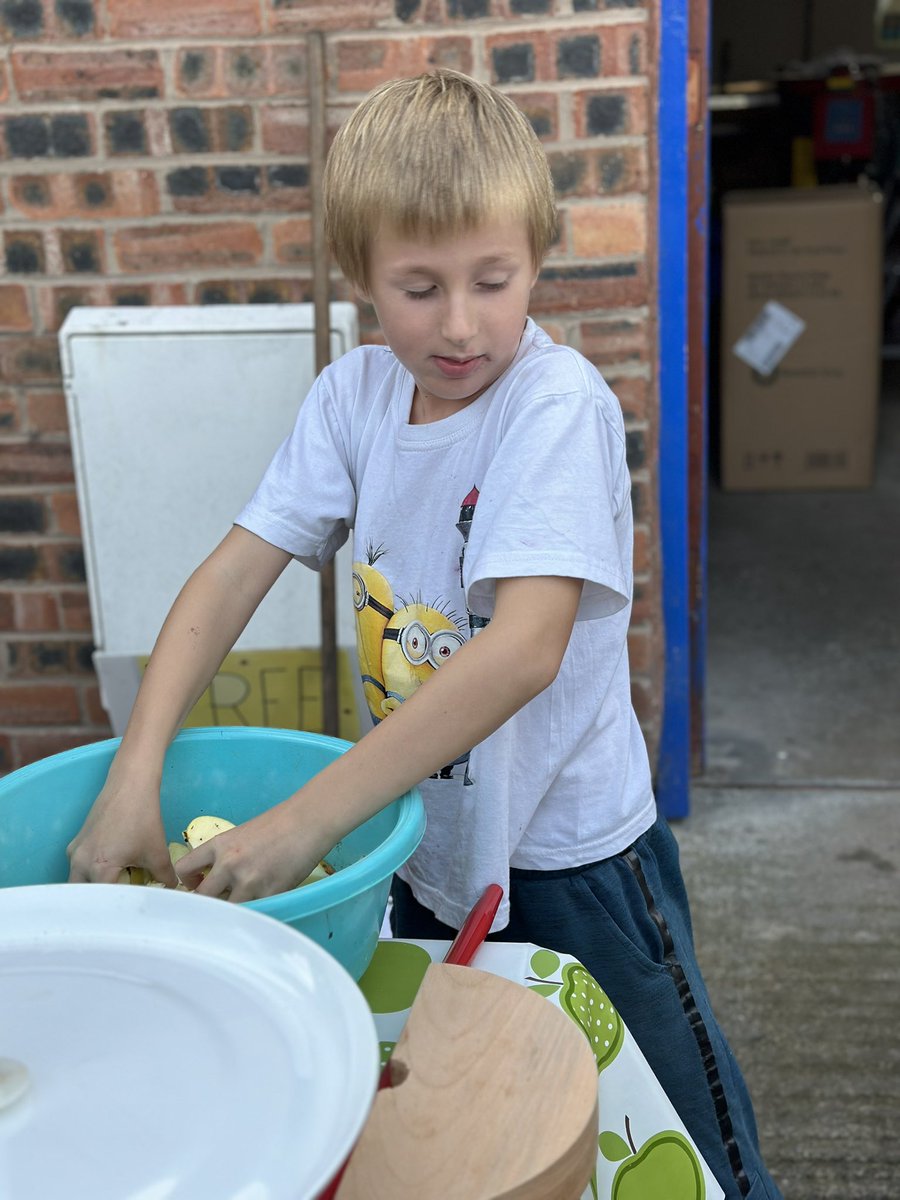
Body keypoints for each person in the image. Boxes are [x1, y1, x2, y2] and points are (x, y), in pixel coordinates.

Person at [67, 69, 781, 1199]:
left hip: (577, 862)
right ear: (361, 278)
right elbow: (233, 570)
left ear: (538, 258)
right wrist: (134, 768)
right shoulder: (351, 400)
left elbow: (524, 648)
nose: (459, 324)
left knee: (676, 1136)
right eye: (418, 287)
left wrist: (302, 823)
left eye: (493, 281)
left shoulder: (554, 407)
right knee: (489, 1109)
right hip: (428, 851)